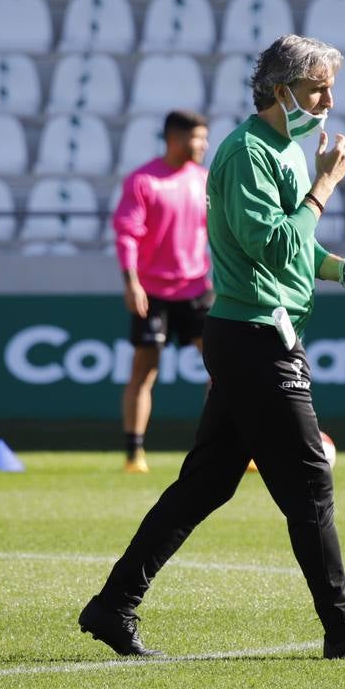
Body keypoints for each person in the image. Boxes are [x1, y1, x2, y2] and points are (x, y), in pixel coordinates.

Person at [79, 35, 345, 660]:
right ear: (282, 89)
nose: (329, 99)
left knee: (206, 484)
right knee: (310, 482)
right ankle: (344, 630)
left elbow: (297, 250)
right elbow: (273, 247)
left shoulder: (283, 149)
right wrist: (326, 185)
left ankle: (112, 605)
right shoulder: (245, 154)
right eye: (319, 87)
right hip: (255, 338)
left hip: (256, 335)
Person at [112, 110, 212, 474]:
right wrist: (132, 282)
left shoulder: (204, 180)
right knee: (145, 369)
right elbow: (127, 234)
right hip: (152, 292)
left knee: (224, 368)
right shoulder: (143, 181)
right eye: (197, 138)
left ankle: (224, 447)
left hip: (197, 288)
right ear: (175, 138)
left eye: (205, 138)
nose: (203, 145)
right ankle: (134, 453)